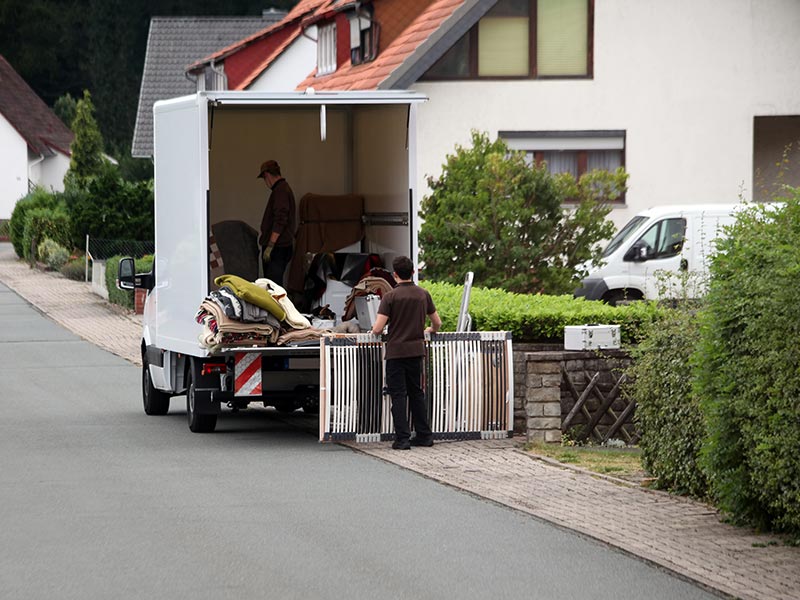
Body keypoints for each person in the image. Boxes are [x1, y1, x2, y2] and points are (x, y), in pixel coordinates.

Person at [371, 256, 442, 450]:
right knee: (417, 393)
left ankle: (402, 439)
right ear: (412, 272)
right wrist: (431, 330)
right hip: (416, 352)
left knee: (399, 395)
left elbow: (378, 329)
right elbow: (437, 322)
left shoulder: (390, 297)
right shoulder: (423, 294)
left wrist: (374, 329)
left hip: (396, 352)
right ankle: (425, 436)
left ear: (395, 275)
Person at [257, 159, 296, 286]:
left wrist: (270, 245)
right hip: (281, 247)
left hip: (278, 248)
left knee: (273, 287)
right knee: (273, 285)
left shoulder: (280, 191)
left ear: (267, 175)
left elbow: (280, 219)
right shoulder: (283, 189)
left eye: (263, 178)